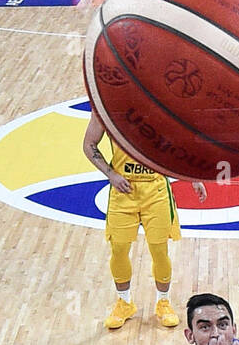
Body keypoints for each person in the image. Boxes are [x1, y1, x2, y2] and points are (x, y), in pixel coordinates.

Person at [82, 110, 207, 332]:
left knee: (159, 250)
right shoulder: (105, 106)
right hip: (123, 190)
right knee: (119, 249)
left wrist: (192, 177)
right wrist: (111, 174)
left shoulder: (159, 103)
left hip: (156, 190)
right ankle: (124, 303)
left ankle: (163, 302)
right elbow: (89, 145)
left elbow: (181, 145)